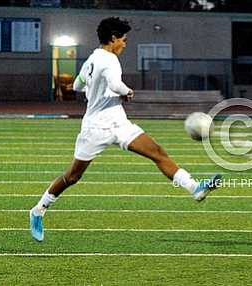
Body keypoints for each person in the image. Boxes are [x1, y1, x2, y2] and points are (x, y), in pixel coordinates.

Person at [29, 17, 221, 242]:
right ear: (113, 38)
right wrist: (127, 92)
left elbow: (78, 85)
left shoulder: (92, 58)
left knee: (157, 152)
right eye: (124, 40)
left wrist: (95, 86)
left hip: (119, 123)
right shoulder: (109, 59)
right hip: (95, 128)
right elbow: (115, 85)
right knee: (72, 176)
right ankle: (38, 210)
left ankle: (195, 188)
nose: (125, 44)